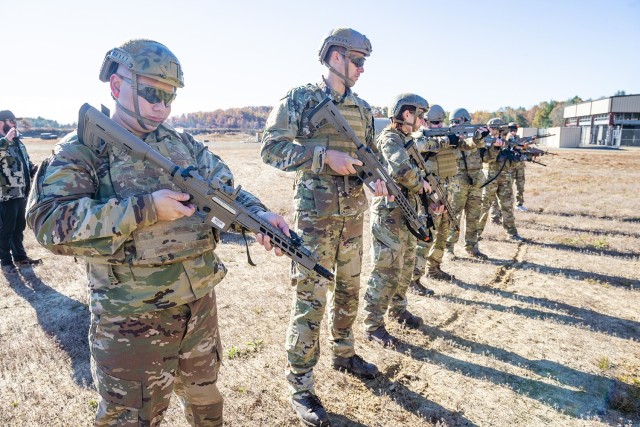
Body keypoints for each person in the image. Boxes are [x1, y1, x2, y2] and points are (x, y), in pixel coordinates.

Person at [27, 39, 290, 427]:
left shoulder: (181, 144)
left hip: (198, 306)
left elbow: (225, 191)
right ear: (116, 87)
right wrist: (145, 209)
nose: (161, 106)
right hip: (131, 320)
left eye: (169, 96)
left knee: (205, 399)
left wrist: (260, 216)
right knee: (131, 417)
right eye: (151, 92)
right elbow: (49, 223)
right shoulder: (82, 150)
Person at [261, 27, 386, 427]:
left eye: (365, 62)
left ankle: (345, 353)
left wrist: (375, 179)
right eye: (358, 61)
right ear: (335, 57)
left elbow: (369, 157)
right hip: (315, 220)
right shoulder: (300, 99)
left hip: (353, 216)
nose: (363, 69)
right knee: (310, 301)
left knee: (350, 290)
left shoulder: (363, 109)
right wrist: (322, 157)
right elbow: (271, 148)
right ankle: (300, 386)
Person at [363, 94, 433, 346]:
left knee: (405, 266)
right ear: (407, 115)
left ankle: (398, 309)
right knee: (386, 269)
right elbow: (400, 171)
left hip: (408, 212)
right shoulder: (390, 139)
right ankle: (373, 324)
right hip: (389, 214)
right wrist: (421, 184)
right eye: (420, 115)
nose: (423, 121)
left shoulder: (406, 140)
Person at [409, 105, 456, 292]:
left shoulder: (446, 136)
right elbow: (418, 146)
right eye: (434, 123)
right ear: (426, 122)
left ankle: (434, 267)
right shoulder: (420, 137)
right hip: (429, 194)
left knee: (443, 232)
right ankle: (414, 278)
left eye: (440, 123)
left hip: (446, 190)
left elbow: (471, 146)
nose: (438, 126)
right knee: (426, 236)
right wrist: (445, 141)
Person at [444, 108, 488, 260]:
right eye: (453, 122)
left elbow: (486, 156)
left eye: (457, 122)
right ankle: (449, 247)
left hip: (476, 180)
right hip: (458, 181)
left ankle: (472, 246)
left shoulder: (476, 135)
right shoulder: (450, 136)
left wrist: (483, 139)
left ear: (464, 120)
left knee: (473, 215)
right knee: (454, 215)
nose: (454, 124)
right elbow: (461, 147)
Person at [0, 110, 41, 275]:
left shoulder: (18, 142)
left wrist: (35, 169)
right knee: (5, 230)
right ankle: (5, 262)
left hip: (21, 192)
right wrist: (5, 141)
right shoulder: (4, 142)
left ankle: (20, 257)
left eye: (15, 120)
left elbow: (26, 162)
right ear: (1, 123)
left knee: (19, 227)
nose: (14, 123)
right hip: (5, 194)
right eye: (11, 121)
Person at [477, 118, 524, 242]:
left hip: (504, 176)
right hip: (489, 177)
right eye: (492, 129)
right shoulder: (484, 141)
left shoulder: (506, 141)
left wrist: (514, 156)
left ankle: (512, 234)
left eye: (495, 129)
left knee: (507, 206)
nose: (492, 131)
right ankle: (475, 235)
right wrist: (496, 148)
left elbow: (511, 164)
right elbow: (486, 159)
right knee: (484, 207)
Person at [507, 122, 527, 211]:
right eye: (512, 130)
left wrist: (524, 147)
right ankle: (508, 205)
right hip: (510, 166)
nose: (513, 131)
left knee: (520, 185)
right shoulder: (506, 137)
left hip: (520, 165)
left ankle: (519, 204)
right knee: (508, 187)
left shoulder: (518, 138)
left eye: (515, 130)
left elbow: (523, 149)